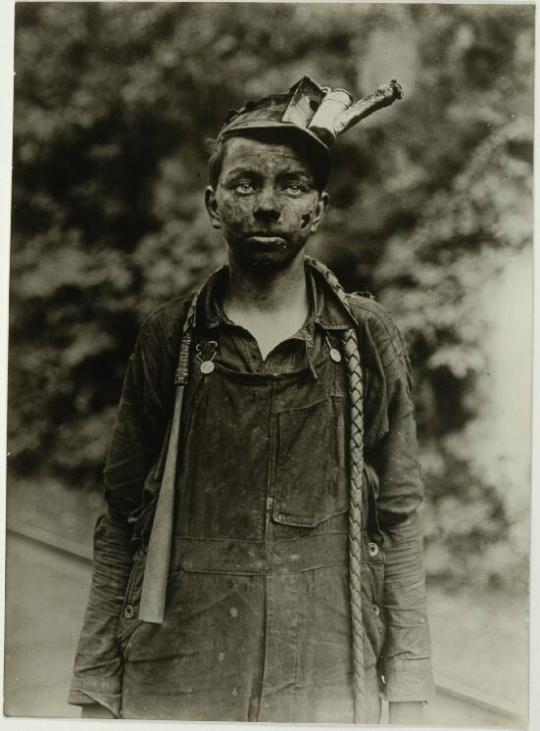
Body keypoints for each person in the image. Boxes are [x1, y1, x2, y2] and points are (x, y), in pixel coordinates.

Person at [68, 76, 434, 724]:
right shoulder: (170, 338)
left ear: (318, 207)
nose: (267, 204)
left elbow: (400, 518)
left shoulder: (364, 339)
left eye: (291, 184)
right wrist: (97, 686)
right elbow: (123, 518)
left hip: (322, 675)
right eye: (246, 183)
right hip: (180, 676)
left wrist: (406, 690)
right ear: (213, 203)